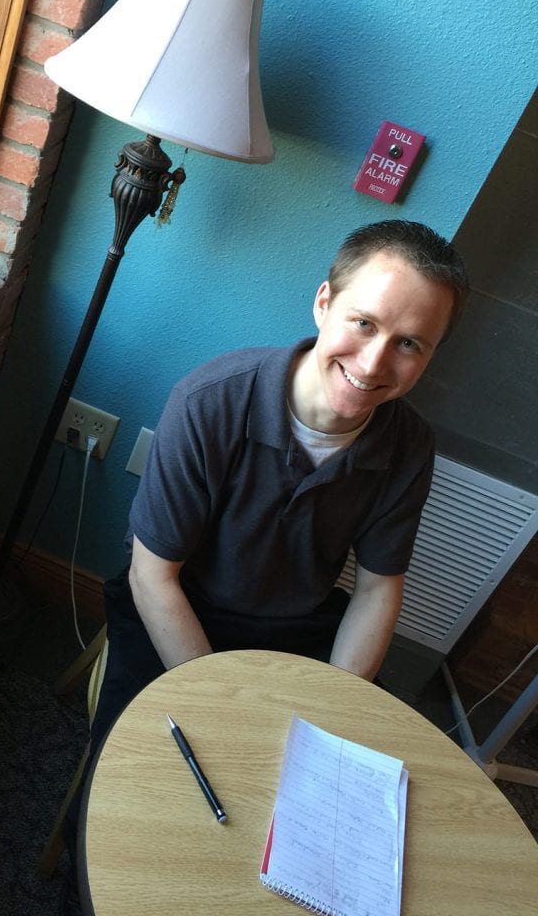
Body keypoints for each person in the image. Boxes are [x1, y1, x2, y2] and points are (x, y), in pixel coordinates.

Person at [60, 220, 468, 911]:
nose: (374, 363)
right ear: (323, 303)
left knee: (351, 812)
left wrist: (332, 715)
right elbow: (153, 576)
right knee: (132, 805)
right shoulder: (210, 400)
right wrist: (226, 709)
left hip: (297, 625)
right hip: (175, 613)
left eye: (409, 344)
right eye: (364, 323)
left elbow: (377, 589)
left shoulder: (409, 446)